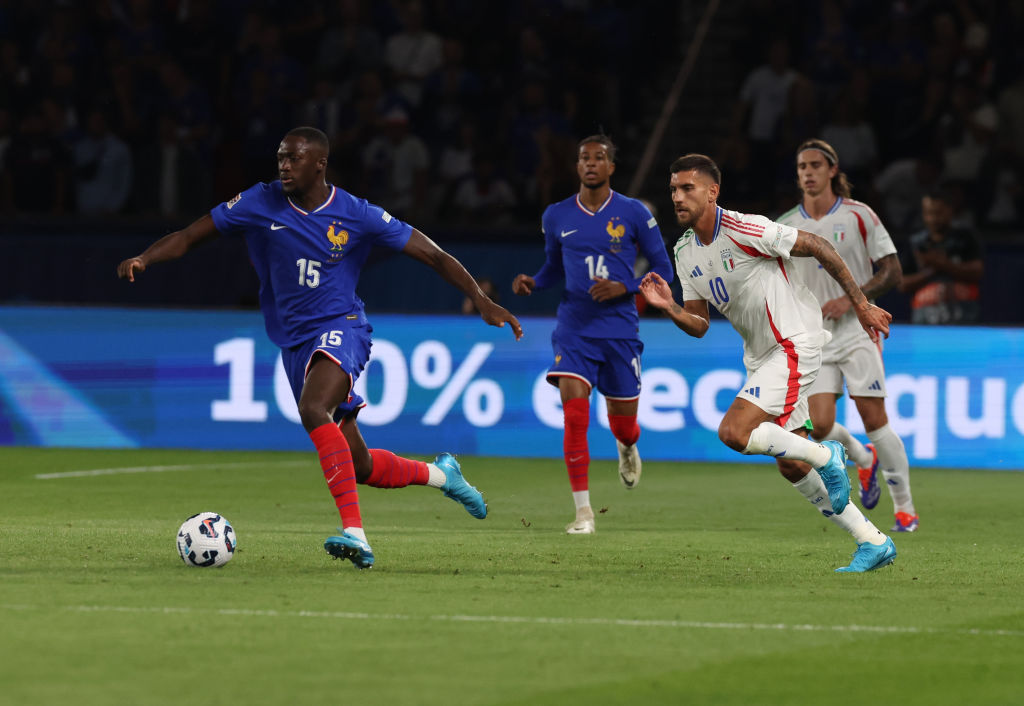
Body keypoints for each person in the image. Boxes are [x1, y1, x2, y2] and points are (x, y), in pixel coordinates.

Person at [118, 127, 522, 569]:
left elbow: (433, 255)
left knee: (314, 409)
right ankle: (444, 475)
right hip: (293, 343)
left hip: (342, 326)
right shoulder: (258, 201)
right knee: (361, 466)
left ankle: (356, 534)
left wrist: (480, 299)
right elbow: (190, 235)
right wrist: (146, 258)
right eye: (280, 158)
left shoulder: (357, 214)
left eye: (293, 158)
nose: (284, 166)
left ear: (320, 163)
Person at [639, 153, 897, 572]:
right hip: (761, 357)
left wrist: (862, 303)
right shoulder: (685, 251)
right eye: (673, 189)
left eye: (687, 188)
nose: (678, 196)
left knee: (734, 431)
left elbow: (817, 245)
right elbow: (700, 323)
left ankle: (828, 456)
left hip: (794, 342)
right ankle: (872, 540)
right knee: (791, 464)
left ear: (712, 191)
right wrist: (669, 308)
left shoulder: (744, 227)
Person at [512, 134, 673, 535]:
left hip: (619, 330)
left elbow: (663, 270)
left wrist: (627, 287)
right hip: (574, 329)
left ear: (611, 167)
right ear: (577, 165)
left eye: (599, 158)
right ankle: (583, 513)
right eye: (584, 157)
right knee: (575, 418)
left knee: (623, 425)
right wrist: (535, 280)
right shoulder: (557, 215)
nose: (590, 164)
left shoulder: (634, 213)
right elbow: (553, 267)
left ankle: (627, 446)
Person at [779, 138, 918, 533]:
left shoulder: (859, 216)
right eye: (801, 166)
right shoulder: (787, 225)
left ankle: (905, 508)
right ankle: (863, 458)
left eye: (815, 165)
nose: (807, 172)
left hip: (858, 330)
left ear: (832, 171)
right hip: (815, 336)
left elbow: (892, 271)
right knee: (818, 427)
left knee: (875, 419)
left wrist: (853, 299)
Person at [899, 184, 985, 325]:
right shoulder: (915, 242)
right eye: (928, 213)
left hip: (964, 318)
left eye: (938, 213)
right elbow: (902, 284)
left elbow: (977, 272)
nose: (933, 219)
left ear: (950, 211)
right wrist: (932, 270)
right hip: (924, 321)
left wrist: (943, 264)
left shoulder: (966, 237)